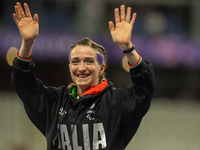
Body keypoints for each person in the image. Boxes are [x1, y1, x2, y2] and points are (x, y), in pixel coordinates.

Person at [12, 2, 155, 150]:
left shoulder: (116, 103)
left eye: (89, 61)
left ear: (101, 68)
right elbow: (24, 85)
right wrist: (27, 43)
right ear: (69, 68)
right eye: (75, 62)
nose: (81, 68)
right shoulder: (55, 103)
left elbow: (144, 88)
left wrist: (127, 47)